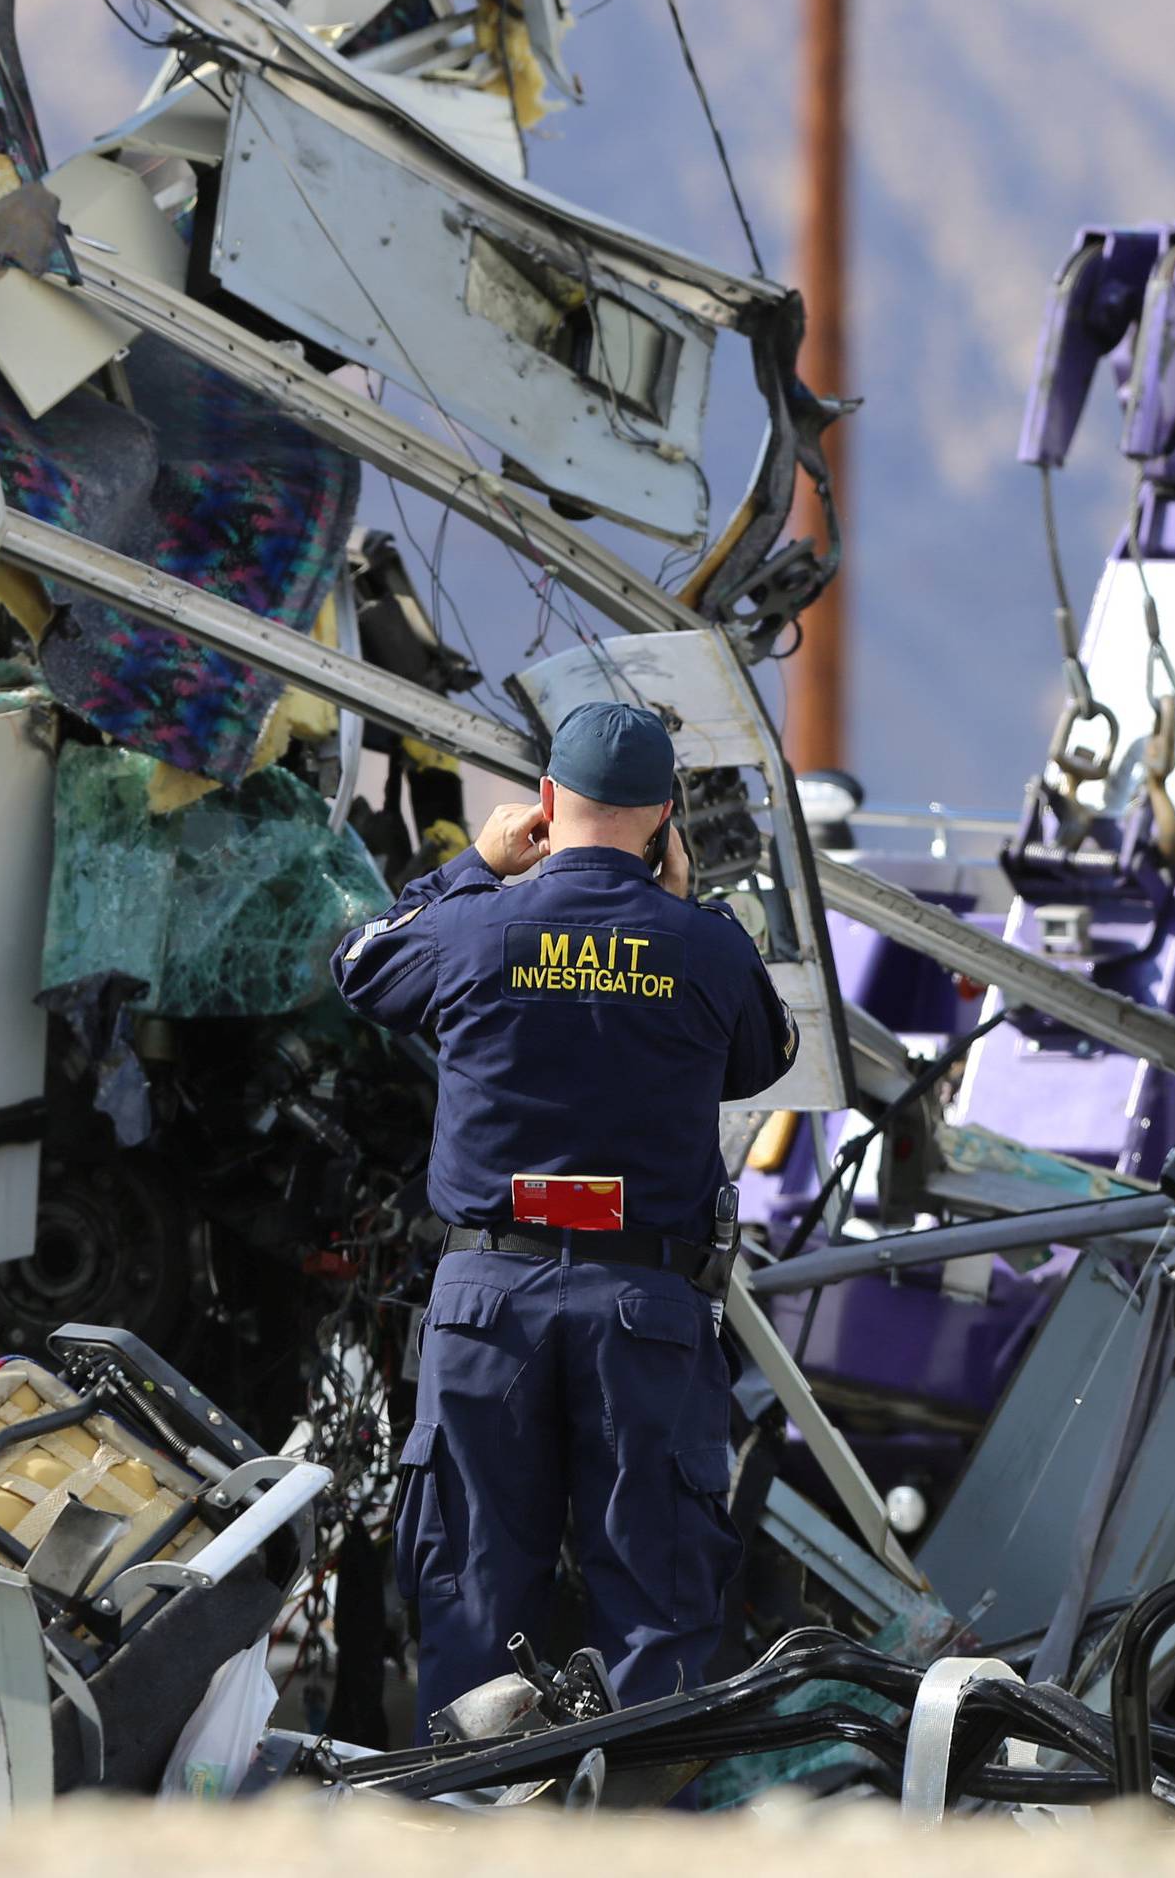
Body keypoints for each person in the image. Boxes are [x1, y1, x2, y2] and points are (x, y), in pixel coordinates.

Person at [331, 700, 798, 1736]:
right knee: (656, 1602)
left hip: (486, 1305)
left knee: (471, 1590)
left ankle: (461, 1827)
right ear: (666, 816)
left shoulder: (471, 924)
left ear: (544, 804)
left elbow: (358, 964)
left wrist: (474, 870)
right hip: (646, 1307)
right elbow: (765, 1059)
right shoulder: (707, 949)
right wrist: (681, 906)